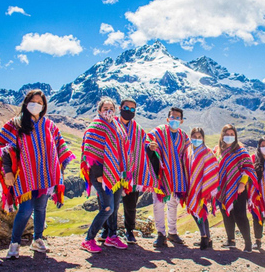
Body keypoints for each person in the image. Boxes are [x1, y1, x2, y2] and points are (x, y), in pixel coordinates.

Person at [0, 90, 75, 259]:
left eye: (40, 102)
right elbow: (3, 149)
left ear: (44, 106)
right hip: (24, 176)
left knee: (41, 208)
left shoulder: (49, 125)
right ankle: (15, 244)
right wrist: (8, 171)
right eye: (33, 101)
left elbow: (60, 148)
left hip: (46, 176)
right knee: (25, 210)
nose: (36, 105)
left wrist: (59, 171)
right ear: (26, 103)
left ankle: (38, 240)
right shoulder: (15, 124)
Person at [80, 97, 130, 253]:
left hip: (115, 174)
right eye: (105, 108)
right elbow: (90, 154)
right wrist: (99, 174)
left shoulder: (116, 125)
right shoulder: (95, 127)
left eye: (111, 108)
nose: (108, 111)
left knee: (114, 207)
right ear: (99, 111)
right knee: (107, 207)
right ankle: (88, 239)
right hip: (100, 175)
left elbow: (120, 151)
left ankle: (112, 237)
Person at [114, 98, 158, 244]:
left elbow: (143, 146)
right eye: (127, 108)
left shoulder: (138, 129)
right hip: (114, 171)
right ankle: (109, 231)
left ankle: (129, 231)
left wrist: (149, 148)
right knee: (110, 203)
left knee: (131, 205)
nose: (129, 111)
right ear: (120, 108)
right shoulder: (111, 125)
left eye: (133, 109)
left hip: (133, 173)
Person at [147, 107, 190, 247]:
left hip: (177, 176)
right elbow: (146, 141)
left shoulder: (183, 136)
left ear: (181, 121)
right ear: (167, 119)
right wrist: (150, 147)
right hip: (161, 175)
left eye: (177, 118)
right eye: (172, 117)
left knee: (173, 204)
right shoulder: (158, 132)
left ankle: (172, 232)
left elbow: (189, 153)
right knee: (158, 204)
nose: (175, 120)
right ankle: (160, 234)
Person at [215, 124, 258, 253]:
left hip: (238, 189)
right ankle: (231, 240)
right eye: (227, 134)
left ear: (235, 136)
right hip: (223, 189)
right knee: (226, 214)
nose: (229, 137)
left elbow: (248, 168)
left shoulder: (241, 151)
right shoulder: (218, 151)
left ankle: (248, 242)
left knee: (240, 215)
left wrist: (242, 183)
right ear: (222, 136)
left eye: (232, 135)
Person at [182, 128, 219, 250]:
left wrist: (206, 186)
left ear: (203, 138)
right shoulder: (188, 150)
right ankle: (207, 238)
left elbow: (213, 168)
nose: (197, 139)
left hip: (203, 187)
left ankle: (204, 237)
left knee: (200, 212)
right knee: (196, 212)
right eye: (194, 136)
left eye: (199, 137)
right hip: (191, 187)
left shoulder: (207, 152)